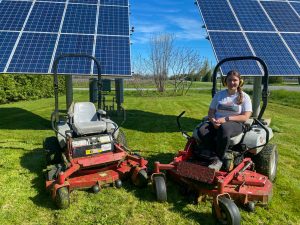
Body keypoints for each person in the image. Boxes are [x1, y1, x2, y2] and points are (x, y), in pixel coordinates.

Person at [198, 70, 252, 171]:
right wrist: (213, 120)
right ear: (225, 81)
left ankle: (219, 159)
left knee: (224, 128)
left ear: (240, 81)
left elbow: (245, 117)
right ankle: (211, 155)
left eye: (235, 80)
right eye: (229, 80)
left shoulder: (245, 97)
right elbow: (211, 112)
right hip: (217, 121)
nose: (232, 82)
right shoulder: (219, 95)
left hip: (235, 123)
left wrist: (226, 119)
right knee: (202, 129)